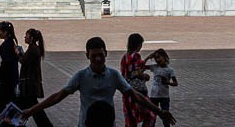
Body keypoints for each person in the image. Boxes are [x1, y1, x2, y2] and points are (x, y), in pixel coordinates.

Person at [19, 36, 174, 127]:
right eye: (94, 56)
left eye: (100, 55)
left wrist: (159, 111)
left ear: (106, 53)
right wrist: (31, 110)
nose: (98, 59)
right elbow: (58, 96)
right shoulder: (81, 76)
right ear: (87, 56)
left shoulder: (113, 75)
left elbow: (134, 95)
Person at [15, 28, 53, 127]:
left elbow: (24, 61)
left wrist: (18, 53)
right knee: (31, 107)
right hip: (29, 83)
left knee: (33, 108)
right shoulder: (33, 48)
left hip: (30, 84)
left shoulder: (33, 49)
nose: (25, 37)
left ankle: (11, 122)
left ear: (31, 38)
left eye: (26, 35)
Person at [120, 33, 154, 126]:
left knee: (131, 118)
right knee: (150, 114)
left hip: (127, 90)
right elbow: (137, 72)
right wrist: (145, 76)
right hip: (138, 92)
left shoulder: (125, 56)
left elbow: (132, 70)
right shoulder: (136, 56)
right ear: (138, 45)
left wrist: (147, 58)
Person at [0, 21, 20, 114]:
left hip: (7, 78)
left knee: (5, 100)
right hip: (13, 75)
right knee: (11, 100)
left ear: (5, 32)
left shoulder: (5, 45)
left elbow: (6, 62)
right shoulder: (12, 42)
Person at [146, 49, 176, 126]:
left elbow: (175, 83)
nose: (157, 60)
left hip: (164, 97)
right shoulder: (154, 67)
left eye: (159, 57)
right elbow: (141, 65)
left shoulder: (170, 70)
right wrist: (148, 57)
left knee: (165, 117)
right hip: (154, 96)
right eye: (155, 58)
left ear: (165, 57)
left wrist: (167, 82)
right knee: (152, 117)